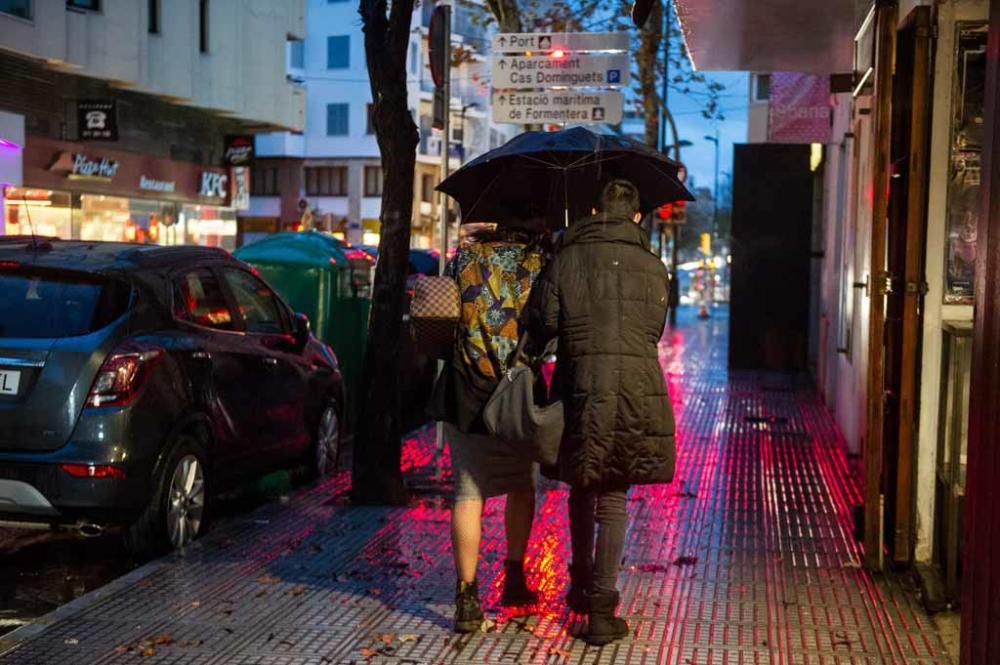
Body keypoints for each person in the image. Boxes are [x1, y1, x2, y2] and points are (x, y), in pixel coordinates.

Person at [527, 179, 676, 646]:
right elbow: (655, 328)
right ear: (636, 217)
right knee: (612, 493)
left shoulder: (566, 259)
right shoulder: (653, 267)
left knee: (582, 482)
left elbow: (544, 322)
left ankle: (578, 583)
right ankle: (602, 608)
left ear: (594, 211)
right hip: (634, 388)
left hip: (579, 385)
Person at [431, 219, 550, 633]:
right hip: (517, 392)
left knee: (468, 490)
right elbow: (548, 331)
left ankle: (466, 596)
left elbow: (444, 316)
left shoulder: (464, 257)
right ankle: (514, 577)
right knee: (522, 483)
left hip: (466, 387)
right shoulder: (539, 261)